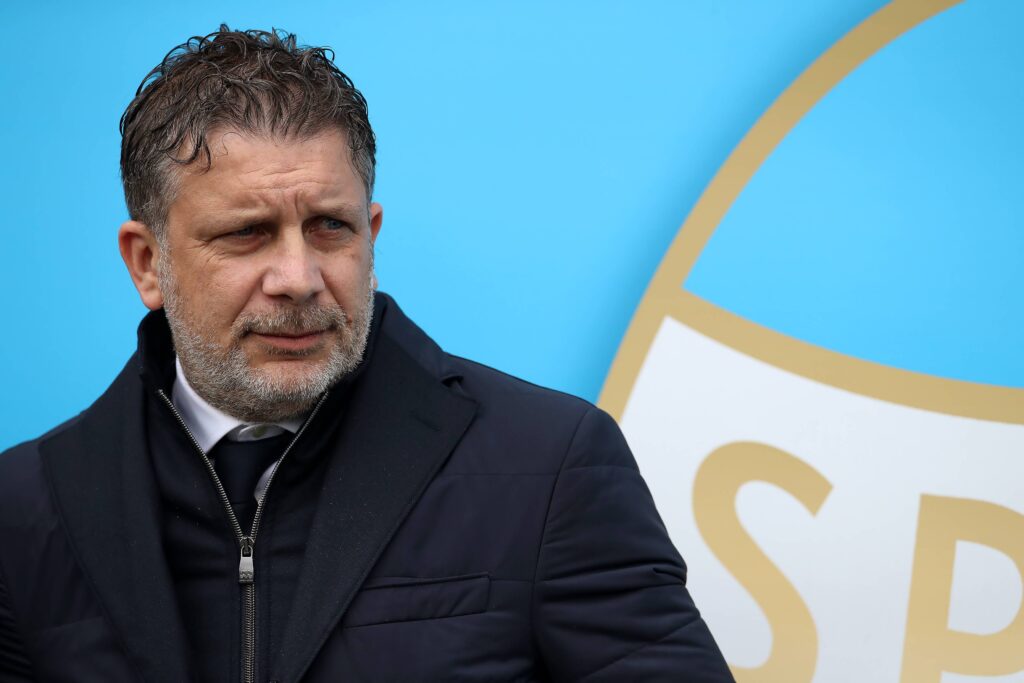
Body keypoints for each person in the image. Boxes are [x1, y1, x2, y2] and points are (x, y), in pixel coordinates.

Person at [0, 26, 733, 682]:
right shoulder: (24, 508)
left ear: (371, 236)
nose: (298, 278)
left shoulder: (551, 464)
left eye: (330, 227)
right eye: (247, 234)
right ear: (147, 263)